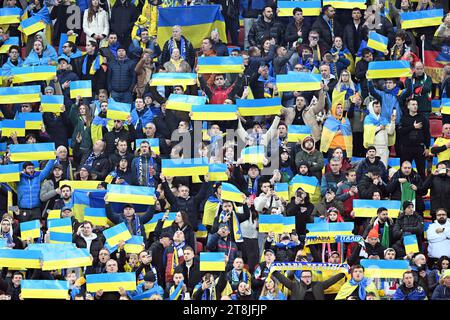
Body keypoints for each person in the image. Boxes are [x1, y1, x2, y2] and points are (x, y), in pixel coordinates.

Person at [399, 99, 430, 179]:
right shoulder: (404, 118)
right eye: (413, 104)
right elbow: (400, 131)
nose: (415, 106)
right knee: (404, 171)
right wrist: (413, 127)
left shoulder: (422, 118)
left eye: (416, 104)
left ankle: (423, 190)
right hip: (406, 148)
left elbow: (427, 133)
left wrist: (427, 147)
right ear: (408, 106)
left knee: (421, 171)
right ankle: (403, 189)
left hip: (419, 148)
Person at [272, 268, 346, 300]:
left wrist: (343, 272)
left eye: (308, 276)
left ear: (311, 277)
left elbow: (332, 280)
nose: (306, 278)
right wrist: (273, 270)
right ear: (300, 278)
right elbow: (282, 279)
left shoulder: (319, 285)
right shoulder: (294, 286)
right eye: (304, 277)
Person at [362, 101, 396, 167]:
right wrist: (379, 127)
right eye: (376, 107)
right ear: (372, 108)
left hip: (384, 148)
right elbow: (368, 132)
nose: (378, 108)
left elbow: (390, 131)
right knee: (371, 169)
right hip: (373, 148)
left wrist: (392, 121)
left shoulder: (384, 119)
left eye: (379, 106)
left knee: (384, 168)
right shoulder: (368, 119)